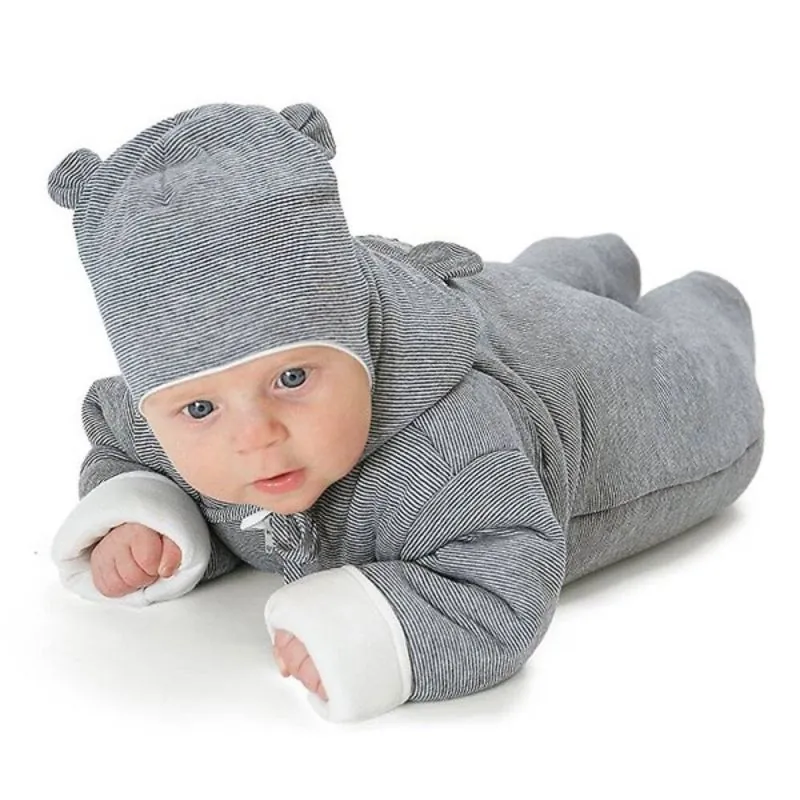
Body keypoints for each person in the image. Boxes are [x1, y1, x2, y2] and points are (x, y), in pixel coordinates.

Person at [47, 101, 764, 723]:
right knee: (521, 281)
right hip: (478, 296)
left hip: (582, 370)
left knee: (707, 389)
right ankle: (584, 260)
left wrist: (372, 633)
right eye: (201, 407)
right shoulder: (163, 417)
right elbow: (117, 439)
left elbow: (504, 581)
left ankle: (702, 302)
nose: (255, 436)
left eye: (292, 377)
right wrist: (143, 516)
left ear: (352, 341)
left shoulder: (450, 454)